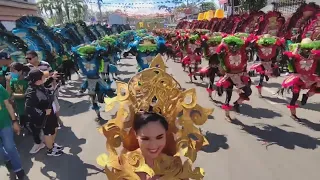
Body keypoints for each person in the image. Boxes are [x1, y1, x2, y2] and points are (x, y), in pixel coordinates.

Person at [96, 59, 213, 179]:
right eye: (145, 138)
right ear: (135, 135)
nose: (153, 145)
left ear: (166, 134)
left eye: (159, 137)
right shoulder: (123, 165)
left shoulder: (175, 166)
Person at [25, 69, 64, 156]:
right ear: (38, 80)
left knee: (55, 129)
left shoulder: (39, 85)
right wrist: (43, 112)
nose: (44, 78)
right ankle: (50, 150)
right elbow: (28, 108)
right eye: (43, 77)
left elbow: (45, 84)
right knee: (48, 133)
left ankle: (52, 145)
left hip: (50, 113)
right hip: (44, 117)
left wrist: (51, 78)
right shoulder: (32, 92)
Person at [0, 84, 25, 179]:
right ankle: (8, 160)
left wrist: (14, 121)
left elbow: (8, 105)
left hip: (5, 123)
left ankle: (18, 169)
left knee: (10, 147)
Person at [6, 62, 30, 132]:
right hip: (19, 107)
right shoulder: (13, 81)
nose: (11, 73)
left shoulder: (27, 81)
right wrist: (7, 82)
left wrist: (14, 96)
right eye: (10, 71)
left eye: (13, 71)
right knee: (22, 122)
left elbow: (28, 94)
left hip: (27, 107)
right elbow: (8, 93)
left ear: (20, 71)